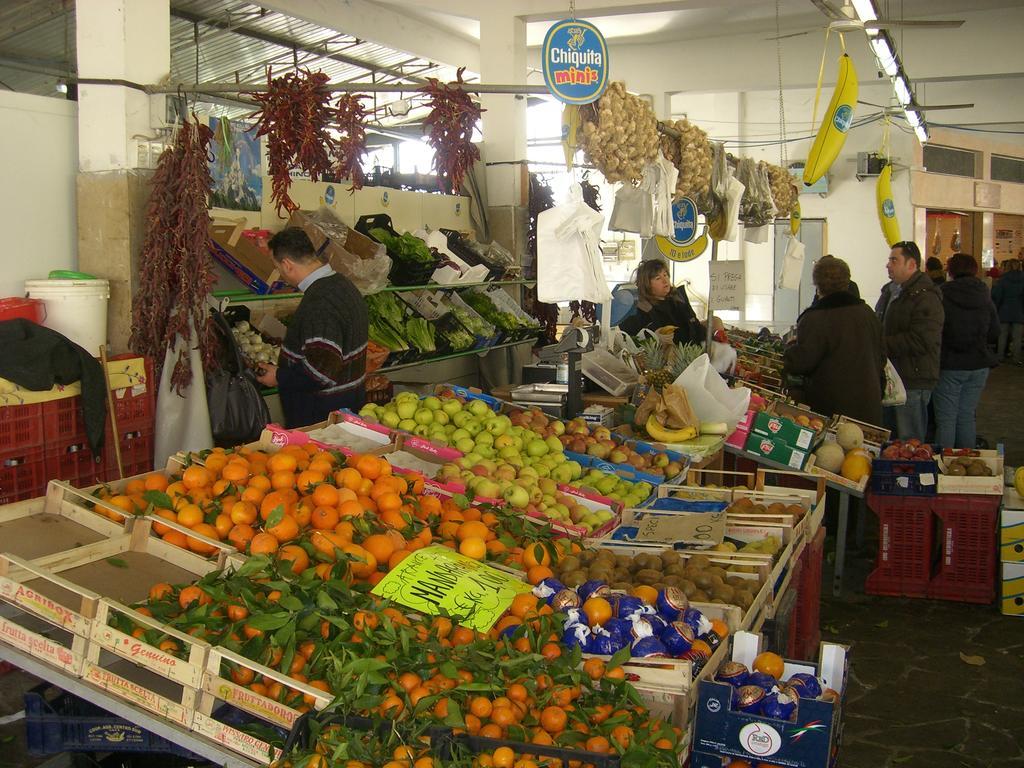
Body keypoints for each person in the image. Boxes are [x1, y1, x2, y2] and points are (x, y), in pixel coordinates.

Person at [255, 228, 368, 428]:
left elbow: (320, 373)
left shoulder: (319, 303)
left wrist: (278, 376)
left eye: (278, 267)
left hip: (322, 418)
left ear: (288, 265)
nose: (280, 275)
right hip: (347, 407)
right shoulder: (342, 284)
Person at [784, 257, 884, 425]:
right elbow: (881, 356)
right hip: (868, 402)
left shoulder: (814, 318)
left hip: (832, 408)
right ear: (847, 281)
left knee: (835, 450)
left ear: (817, 284)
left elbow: (803, 362)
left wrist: (789, 350)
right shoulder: (867, 313)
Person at [875, 241, 944, 441]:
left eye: (894, 260)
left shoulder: (925, 297)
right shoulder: (889, 291)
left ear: (911, 265)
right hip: (891, 377)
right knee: (889, 438)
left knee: (909, 441)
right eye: (889, 260)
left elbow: (923, 340)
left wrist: (881, 344)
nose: (888, 265)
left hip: (913, 379)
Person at [932, 253, 999, 449]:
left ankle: (943, 467)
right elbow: (995, 330)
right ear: (974, 270)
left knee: (946, 419)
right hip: (979, 364)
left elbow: (936, 329)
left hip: (950, 365)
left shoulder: (941, 294)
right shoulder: (984, 294)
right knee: (966, 416)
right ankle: (966, 464)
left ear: (950, 270)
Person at [619, 258, 707, 344]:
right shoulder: (638, 309)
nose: (665, 281)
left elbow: (695, 326)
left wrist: (710, 332)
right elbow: (626, 340)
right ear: (646, 284)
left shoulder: (678, 299)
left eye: (665, 275)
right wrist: (652, 338)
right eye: (658, 278)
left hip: (693, 353)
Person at [993, 258, 1024, 364]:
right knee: (1017, 337)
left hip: (1004, 310)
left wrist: (996, 308)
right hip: (1019, 311)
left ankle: (1000, 357)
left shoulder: (1003, 279)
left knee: (1002, 336)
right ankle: (1016, 358)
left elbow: (997, 296)